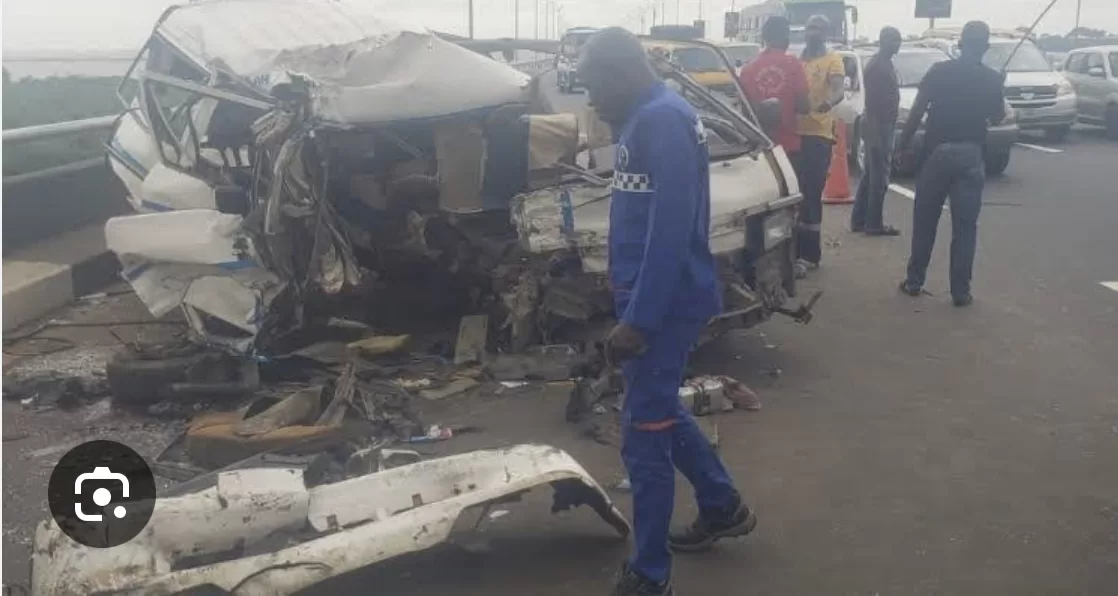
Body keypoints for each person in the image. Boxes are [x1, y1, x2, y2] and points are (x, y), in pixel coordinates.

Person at [577, 28, 756, 596]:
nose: (590, 99)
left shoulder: (662, 119)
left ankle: (649, 574)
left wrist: (641, 319)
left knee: (642, 435)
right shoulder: (644, 114)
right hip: (649, 297)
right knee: (655, 408)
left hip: (663, 304)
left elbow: (672, 228)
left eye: (593, 86)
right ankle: (722, 504)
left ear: (621, 71)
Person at [896, 20, 1005, 307]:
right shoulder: (992, 79)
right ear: (984, 48)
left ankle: (915, 281)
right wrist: (997, 88)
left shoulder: (939, 72)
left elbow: (917, 111)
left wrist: (902, 144)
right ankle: (961, 292)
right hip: (971, 155)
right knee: (966, 227)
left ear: (961, 44)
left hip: (938, 154)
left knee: (925, 221)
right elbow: (997, 118)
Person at [794, 14, 846, 277]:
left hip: (818, 135)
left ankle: (809, 255)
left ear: (825, 33)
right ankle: (791, 251)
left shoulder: (832, 59)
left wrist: (830, 102)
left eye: (818, 29)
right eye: (810, 27)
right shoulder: (797, 60)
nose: (813, 32)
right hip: (793, 135)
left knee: (811, 192)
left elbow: (838, 89)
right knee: (792, 194)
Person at [850, 26, 903, 236]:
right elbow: (873, 104)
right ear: (883, 41)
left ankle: (859, 220)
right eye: (892, 40)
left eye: (898, 40)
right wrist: (875, 135)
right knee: (879, 177)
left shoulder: (884, 63)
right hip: (877, 124)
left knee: (871, 175)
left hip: (881, 124)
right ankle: (873, 223)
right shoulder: (877, 66)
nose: (896, 44)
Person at [738, 16, 810, 153]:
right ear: (786, 38)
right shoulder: (793, 64)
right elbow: (804, 107)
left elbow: (745, 111)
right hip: (787, 144)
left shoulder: (748, 69)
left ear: (764, 38)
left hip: (758, 146)